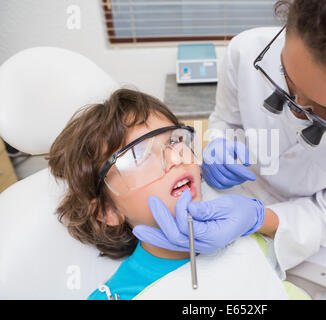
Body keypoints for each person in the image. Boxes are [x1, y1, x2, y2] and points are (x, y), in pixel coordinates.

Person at [137, 0, 326, 289]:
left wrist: (259, 218)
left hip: (322, 235)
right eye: (287, 79)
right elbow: (225, 122)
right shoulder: (247, 50)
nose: (295, 109)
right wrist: (220, 142)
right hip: (235, 194)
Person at [47, 88, 292, 300]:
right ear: (107, 211)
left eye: (175, 140)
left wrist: (258, 218)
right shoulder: (120, 294)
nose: (177, 157)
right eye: (138, 154)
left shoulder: (243, 231)